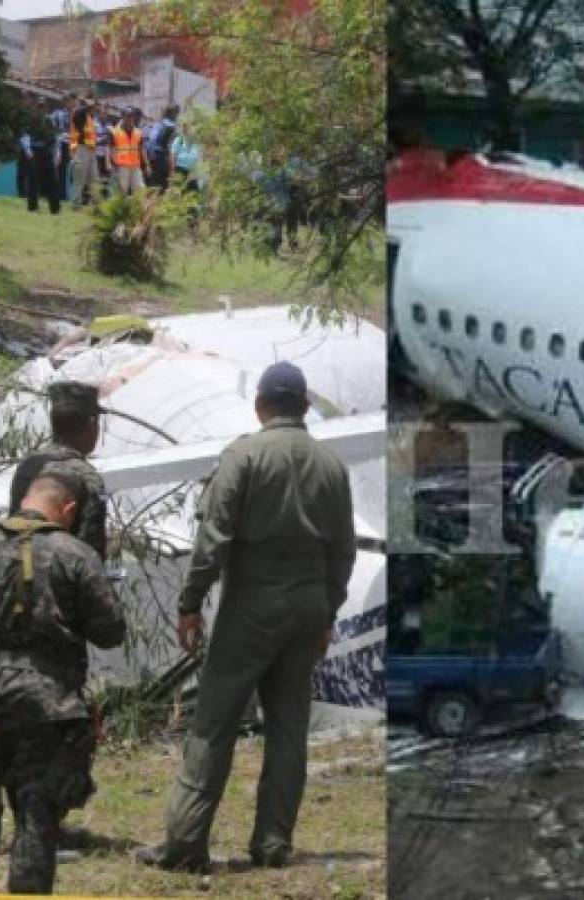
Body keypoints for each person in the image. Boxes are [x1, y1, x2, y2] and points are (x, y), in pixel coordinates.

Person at [136, 361, 357, 873]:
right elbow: (342, 550)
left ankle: (187, 843)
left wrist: (190, 604)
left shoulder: (244, 456)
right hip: (307, 607)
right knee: (287, 729)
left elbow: (213, 542)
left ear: (260, 406)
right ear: (304, 405)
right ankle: (274, 843)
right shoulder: (331, 465)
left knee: (214, 723)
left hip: (253, 604)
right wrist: (328, 610)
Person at [0, 473, 127, 894]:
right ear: (69, 509)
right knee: (37, 807)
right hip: (47, 697)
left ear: (23, 500)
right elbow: (111, 631)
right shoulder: (74, 554)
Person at [9, 381, 107, 562]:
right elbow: (91, 554)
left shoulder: (27, 465)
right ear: (91, 424)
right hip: (62, 581)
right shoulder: (86, 477)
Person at [20, 102, 60, 215]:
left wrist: (56, 153)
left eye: (43, 107)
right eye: (39, 107)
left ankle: (55, 209)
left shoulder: (50, 121)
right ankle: (32, 208)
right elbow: (25, 135)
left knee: (53, 180)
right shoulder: (31, 120)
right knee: (32, 180)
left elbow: (55, 138)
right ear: (36, 108)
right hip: (35, 152)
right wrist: (28, 150)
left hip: (47, 152)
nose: (41, 110)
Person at [109, 108, 147, 197]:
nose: (131, 118)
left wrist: (146, 164)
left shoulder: (138, 132)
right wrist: (112, 163)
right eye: (128, 116)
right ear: (122, 117)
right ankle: (121, 210)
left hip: (135, 165)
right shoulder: (115, 131)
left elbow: (141, 149)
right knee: (122, 190)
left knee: (140, 189)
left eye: (132, 116)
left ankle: (139, 209)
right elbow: (111, 148)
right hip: (122, 165)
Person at [69, 96, 98, 209]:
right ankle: (76, 205)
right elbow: (83, 110)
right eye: (93, 106)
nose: (95, 108)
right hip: (80, 149)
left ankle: (95, 206)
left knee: (94, 179)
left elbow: (89, 134)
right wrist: (87, 102)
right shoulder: (78, 112)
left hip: (90, 150)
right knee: (79, 179)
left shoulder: (88, 117)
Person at [146, 105, 178, 191]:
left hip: (158, 156)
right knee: (164, 184)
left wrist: (151, 155)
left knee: (155, 184)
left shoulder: (159, 123)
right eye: (176, 113)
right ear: (172, 113)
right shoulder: (171, 125)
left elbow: (151, 140)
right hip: (164, 156)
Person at [50, 94, 73, 202]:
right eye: (68, 101)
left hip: (74, 145)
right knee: (61, 170)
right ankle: (61, 196)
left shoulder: (78, 115)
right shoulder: (58, 114)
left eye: (72, 101)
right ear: (64, 102)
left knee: (75, 171)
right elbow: (51, 126)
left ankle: (82, 198)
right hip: (62, 144)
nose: (70, 103)